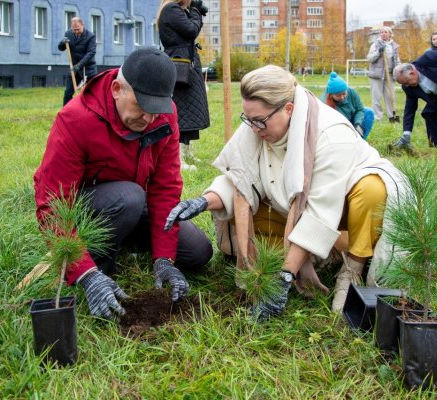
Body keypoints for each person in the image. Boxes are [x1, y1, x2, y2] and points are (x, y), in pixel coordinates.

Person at [164, 65, 408, 318]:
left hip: (343, 213)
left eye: (259, 121)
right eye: (248, 119)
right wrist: (202, 202)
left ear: (288, 109)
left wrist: (283, 279)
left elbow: (319, 214)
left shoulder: (331, 134)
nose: (253, 129)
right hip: (292, 206)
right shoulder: (259, 123)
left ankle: (351, 267)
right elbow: (240, 179)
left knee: (372, 190)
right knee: (242, 211)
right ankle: (306, 258)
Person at [34, 48, 213, 320]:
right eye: (142, 107)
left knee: (198, 251)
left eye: (157, 110)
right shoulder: (76, 119)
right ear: (118, 89)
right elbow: (52, 204)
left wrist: (164, 259)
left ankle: (129, 238)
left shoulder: (164, 115)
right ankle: (99, 265)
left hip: (135, 203)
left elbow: (165, 188)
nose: (150, 119)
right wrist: (85, 273)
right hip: (94, 208)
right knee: (128, 197)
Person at [157, 0, 210, 171]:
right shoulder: (171, 9)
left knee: (190, 109)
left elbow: (191, 30)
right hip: (179, 64)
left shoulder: (178, 10)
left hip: (186, 63)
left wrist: (194, 11)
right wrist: (195, 10)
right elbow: (191, 30)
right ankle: (177, 157)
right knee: (181, 110)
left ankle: (187, 152)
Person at [320, 72, 375, 140]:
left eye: (344, 94)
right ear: (331, 95)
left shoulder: (351, 92)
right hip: (338, 126)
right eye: (338, 95)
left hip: (353, 121)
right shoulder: (324, 103)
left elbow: (359, 109)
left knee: (369, 112)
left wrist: (357, 123)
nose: (342, 97)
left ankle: (361, 142)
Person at [58, 17, 97, 106]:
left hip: (88, 69)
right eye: (74, 29)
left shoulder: (90, 36)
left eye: (78, 29)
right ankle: (66, 113)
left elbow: (91, 53)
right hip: (74, 69)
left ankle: (91, 113)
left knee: (92, 94)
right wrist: (62, 42)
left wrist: (79, 65)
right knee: (68, 93)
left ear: (83, 25)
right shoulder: (68, 34)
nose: (76, 31)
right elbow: (60, 48)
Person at [367, 26, 400, 122]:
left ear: (390, 34)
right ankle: (378, 117)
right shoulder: (375, 45)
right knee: (376, 97)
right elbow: (370, 58)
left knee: (390, 96)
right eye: (381, 32)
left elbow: (397, 60)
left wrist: (399, 69)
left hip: (389, 74)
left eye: (385, 32)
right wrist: (378, 52)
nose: (383, 34)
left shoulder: (394, 46)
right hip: (377, 75)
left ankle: (392, 116)